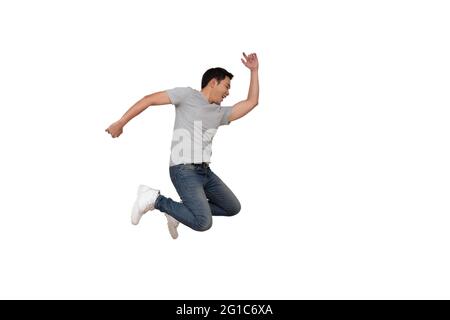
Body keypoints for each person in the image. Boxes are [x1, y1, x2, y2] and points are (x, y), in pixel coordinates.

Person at [105, 52, 259, 239]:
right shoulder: (187, 95)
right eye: (226, 86)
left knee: (232, 207)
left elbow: (252, 102)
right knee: (203, 222)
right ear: (213, 82)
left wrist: (254, 71)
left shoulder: (220, 113)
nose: (228, 92)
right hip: (183, 170)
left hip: (205, 172)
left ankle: (177, 212)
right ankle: (155, 199)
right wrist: (121, 122)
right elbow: (149, 99)